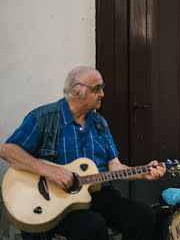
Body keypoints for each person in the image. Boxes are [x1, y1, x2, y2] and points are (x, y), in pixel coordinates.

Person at [0, 66, 166, 240]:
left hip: (99, 195)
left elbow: (114, 166)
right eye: (96, 89)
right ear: (76, 92)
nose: (102, 94)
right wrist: (50, 171)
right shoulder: (43, 118)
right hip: (59, 200)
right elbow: (8, 151)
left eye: (102, 87)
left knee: (143, 215)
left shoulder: (100, 123)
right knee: (92, 226)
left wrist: (143, 172)